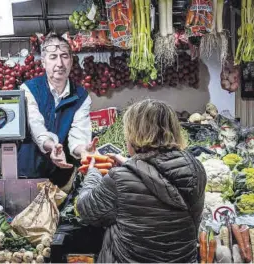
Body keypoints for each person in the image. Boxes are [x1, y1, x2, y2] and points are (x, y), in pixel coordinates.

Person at [76, 99, 207, 263]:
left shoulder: (119, 180)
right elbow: (163, 181)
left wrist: (93, 172)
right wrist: (131, 164)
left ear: (134, 135)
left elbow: (86, 210)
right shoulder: (196, 168)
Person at [18, 33, 96, 187]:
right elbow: (36, 125)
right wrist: (51, 145)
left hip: (62, 175)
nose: (60, 63)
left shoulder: (81, 96)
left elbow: (78, 134)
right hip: (29, 173)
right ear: (43, 62)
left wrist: (83, 150)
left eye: (64, 56)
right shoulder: (29, 89)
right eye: (53, 57)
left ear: (72, 61)